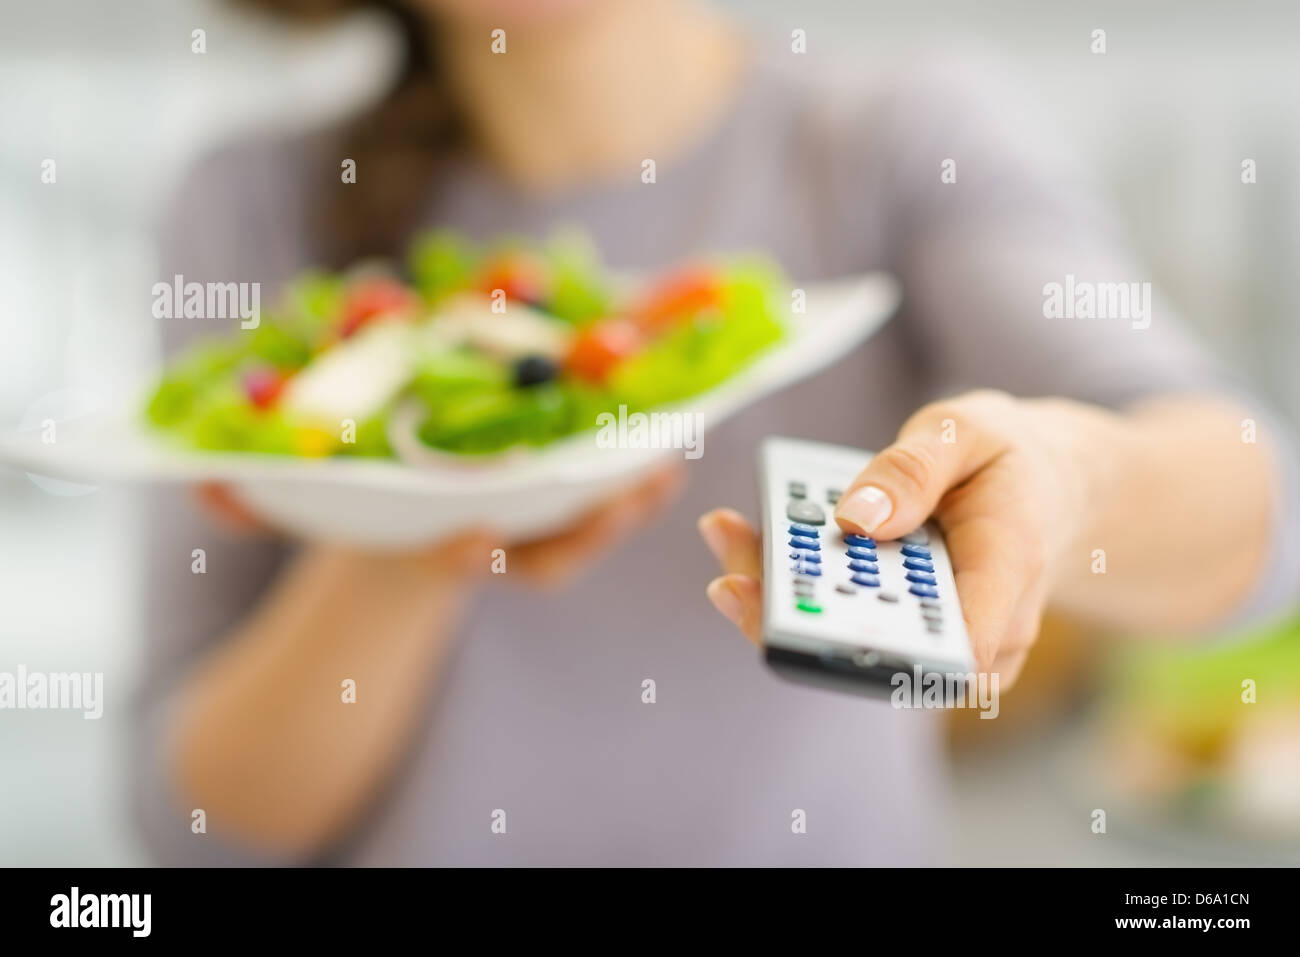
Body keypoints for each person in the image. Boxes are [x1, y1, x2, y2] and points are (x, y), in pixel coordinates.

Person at [134, 0, 1298, 865]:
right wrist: (402, 532)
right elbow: (190, 827)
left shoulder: (888, 139)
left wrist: (1067, 483)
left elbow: (1257, 524)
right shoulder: (251, 203)